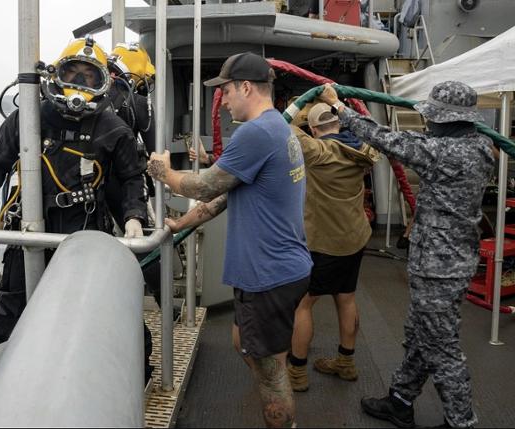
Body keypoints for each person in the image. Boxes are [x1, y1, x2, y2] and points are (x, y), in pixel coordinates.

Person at [0, 36, 149, 373]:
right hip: (28, 230)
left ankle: (125, 375)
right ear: (56, 75)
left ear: (103, 82)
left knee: (95, 308)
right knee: (11, 309)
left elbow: (132, 177)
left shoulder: (112, 127)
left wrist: (133, 216)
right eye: (73, 74)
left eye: (89, 78)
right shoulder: (28, 117)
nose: (79, 85)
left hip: (84, 231)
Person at [147, 52, 313, 428]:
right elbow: (224, 196)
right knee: (249, 346)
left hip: (268, 275)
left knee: (270, 374)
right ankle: (274, 364)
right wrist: (181, 223)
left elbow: (205, 186)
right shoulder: (276, 127)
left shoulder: (256, 132)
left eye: (225, 92)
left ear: (246, 87)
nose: (222, 101)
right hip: (280, 269)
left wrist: (163, 172)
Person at [318, 81, 494, 428]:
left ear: (445, 120)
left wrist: (339, 107)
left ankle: (462, 421)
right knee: (421, 335)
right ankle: (400, 400)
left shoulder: (442, 151)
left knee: (441, 346)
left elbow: (386, 139)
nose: (430, 123)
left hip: (438, 267)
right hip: (455, 259)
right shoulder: (483, 146)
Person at [287, 102, 379, 392]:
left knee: (303, 304)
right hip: (354, 237)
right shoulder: (364, 148)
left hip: (323, 243)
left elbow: (282, 126)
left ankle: (297, 372)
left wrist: (302, 109)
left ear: (314, 129)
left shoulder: (317, 151)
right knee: (346, 298)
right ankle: (346, 362)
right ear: (339, 124)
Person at [106, 42, 157, 229]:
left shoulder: (92, 95)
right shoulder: (139, 102)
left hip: (86, 185)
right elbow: (156, 151)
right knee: (144, 245)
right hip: (123, 184)